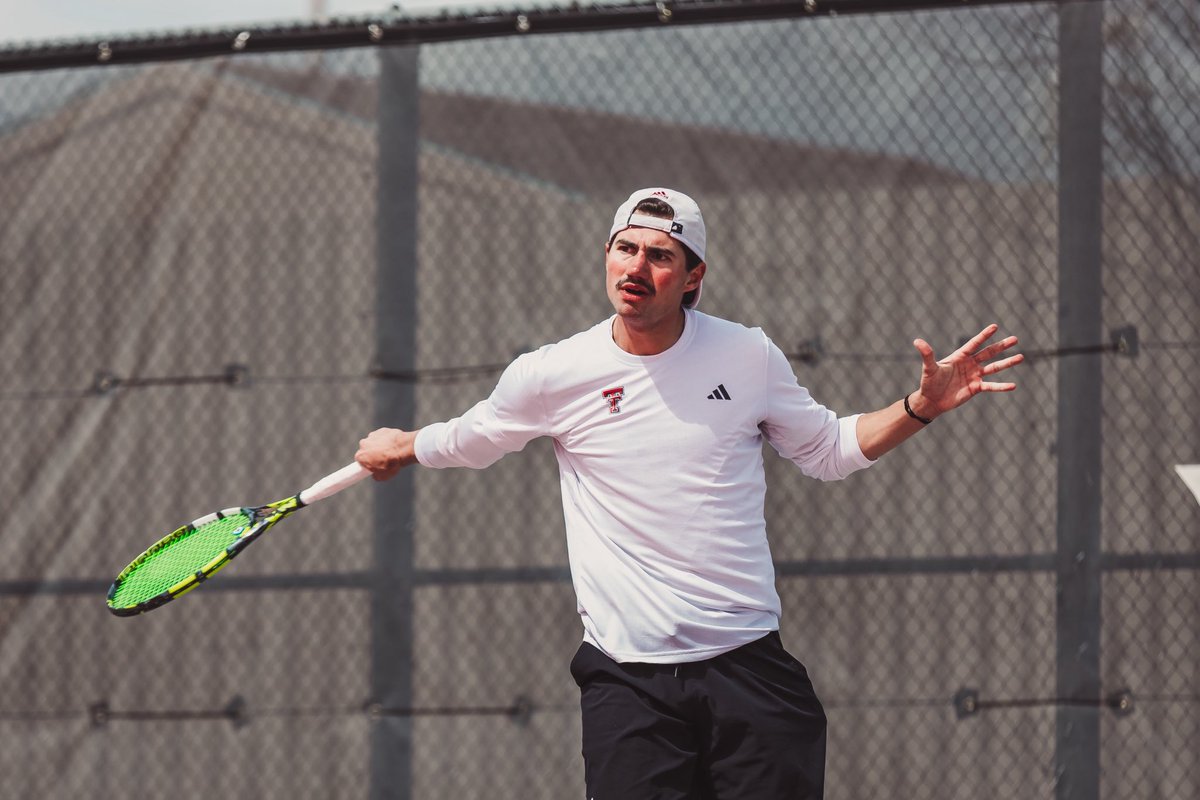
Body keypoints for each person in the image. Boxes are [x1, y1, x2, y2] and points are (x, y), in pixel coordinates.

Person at [355, 188, 1023, 800]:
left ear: (694, 276)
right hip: (627, 682)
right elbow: (476, 436)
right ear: (607, 255)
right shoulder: (553, 373)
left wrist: (920, 407)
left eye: (660, 256)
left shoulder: (748, 355)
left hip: (749, 671)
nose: (636, 267)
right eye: (626, 248)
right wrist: (405, 445)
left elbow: (828, 449)